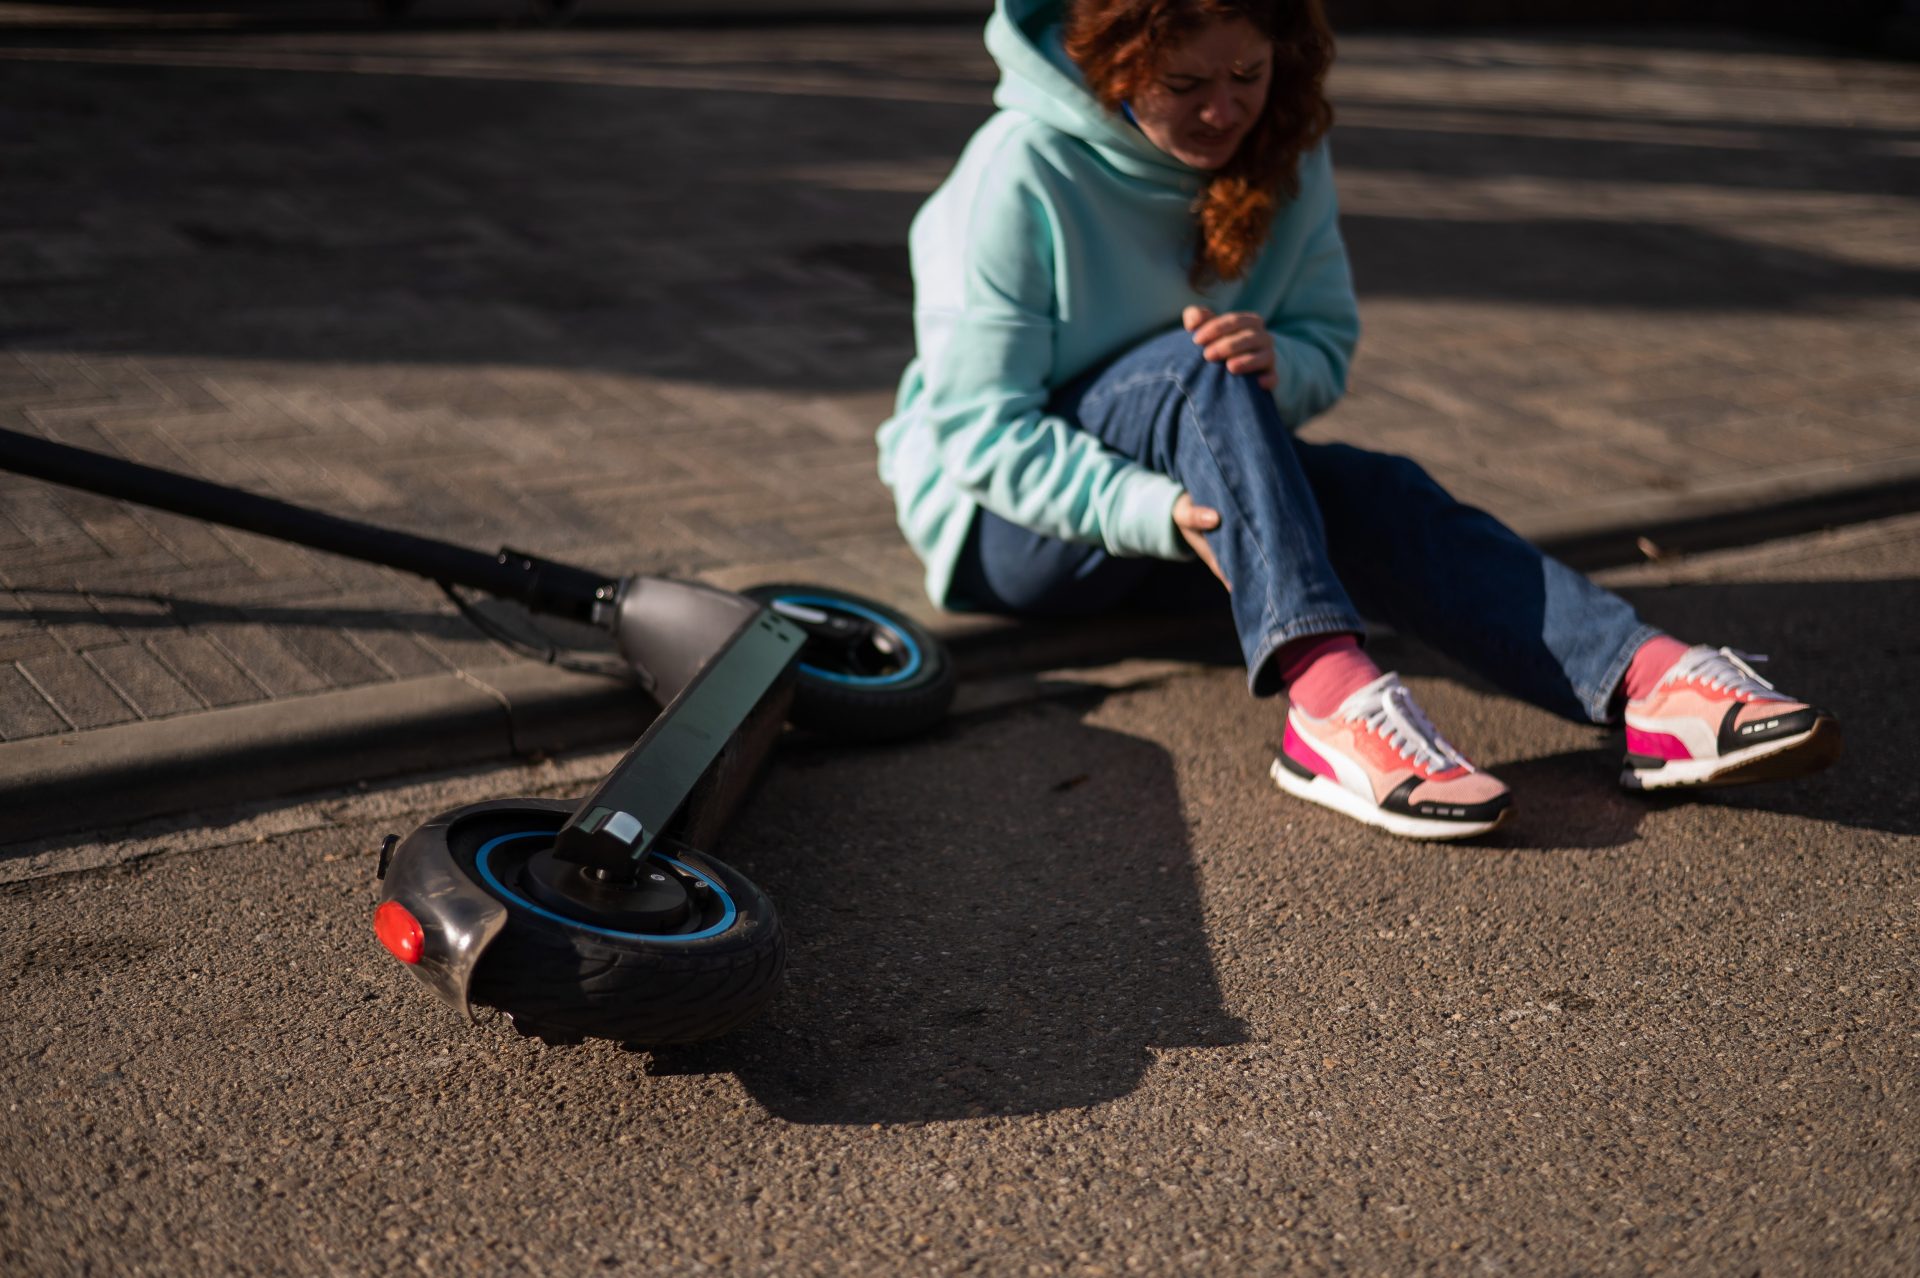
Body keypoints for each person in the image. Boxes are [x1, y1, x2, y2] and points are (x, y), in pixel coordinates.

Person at [875, 0, 1841, 840]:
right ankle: (1327, 700)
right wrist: (1156, 512)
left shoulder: (1286, 144)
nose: (1223, 110)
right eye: (1185, 83)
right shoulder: (1019, 173)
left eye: (1247, 73)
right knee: (1193, 366)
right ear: (1113, 59)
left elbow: (1323, 343)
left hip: (1204, 513)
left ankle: (1648, 685)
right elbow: (976, 435)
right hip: (1015, 533)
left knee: (1370, 487)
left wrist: (1278, 361)